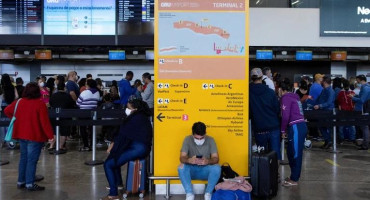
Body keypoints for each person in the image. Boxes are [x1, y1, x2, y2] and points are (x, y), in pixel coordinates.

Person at [4, 82, 54, 191]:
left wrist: (15, 118)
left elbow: (6, 110)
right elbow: (44, 123)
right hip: (35, 136)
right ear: (37, 92)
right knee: (32, 160)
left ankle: (21, 181)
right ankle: (30, 184)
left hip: (21, 135)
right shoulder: (40, 104)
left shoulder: (19, 102)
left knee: (23, 159)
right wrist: (51, 136)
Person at [102, 99, 152, 200]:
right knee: (115, 159)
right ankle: (118, 183)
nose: (126, 109)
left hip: (138, 148)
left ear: (135, 109)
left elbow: (123, 135)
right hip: (141, 147)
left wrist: (113, 144)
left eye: (128, 108)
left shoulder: (135, 118)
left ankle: (113, 194)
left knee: (108, 164)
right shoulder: (141, 117)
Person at [178, 122, 221, 200]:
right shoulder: (187, 139)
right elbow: (182, 157)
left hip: (205, 170)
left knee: (217, 168)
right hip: (192, 171)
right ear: (192, 134)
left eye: (201, 138)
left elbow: (216, 158)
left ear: (205, 134)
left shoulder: (210, 140)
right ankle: (189, 194)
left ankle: (208, 193)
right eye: (197, 138)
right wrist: (189, 160)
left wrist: (208, 161)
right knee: (181, 167)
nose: (199, 140)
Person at [279, 81, 307, 187]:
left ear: (281, 89)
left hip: (296, 127)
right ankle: (293, 176)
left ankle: (294, 179)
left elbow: (285, 116)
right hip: (299, 126)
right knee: (291, 152)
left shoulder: (285, 98)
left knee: (295, 153)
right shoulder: (295, 96)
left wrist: (282, 130)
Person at [249, 68, 281, 160]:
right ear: (262, 77)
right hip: (273, 127)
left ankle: (263, 173)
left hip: (259, 129)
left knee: (262, 155)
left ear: (251, 78)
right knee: (275, 154)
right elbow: (277, 109)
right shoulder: (270, 92)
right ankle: (275, 174)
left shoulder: (248, 93)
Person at [49, 78, 75, 152]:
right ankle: (61, 146)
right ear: (64, 88)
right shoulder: (67, 96)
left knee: (54, 131)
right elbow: (72, 104)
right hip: (65, 116)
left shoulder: (53, 96)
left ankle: (51, 146)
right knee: (64, 131)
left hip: (54, 115)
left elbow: (50, 104)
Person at [76, 79, 100, 151]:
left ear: (89, 85)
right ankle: (92, 145)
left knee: (83, 129)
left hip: (83, 113)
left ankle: (86, 145)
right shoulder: (97, 93)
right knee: (91, 129)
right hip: (93, 114)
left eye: (86, 83)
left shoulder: (84, 92)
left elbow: (78, 103)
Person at [314, 76, 335, 149]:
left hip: (328, 112)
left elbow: (329, 102)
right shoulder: (324, 90)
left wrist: (319, 106)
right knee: (321, 126)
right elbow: (319, 98)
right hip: (322, 111)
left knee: (327, 127)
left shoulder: (330, 91)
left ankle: (329, 141)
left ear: (325, 82)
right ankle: (327, 141)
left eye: (322, 81)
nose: (321, 82)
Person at [350, 75, 370, 150]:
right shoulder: (366, 87)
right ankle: (365, 143)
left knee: (364, 127)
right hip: (364, 109)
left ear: (361, 80)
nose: (356, 82)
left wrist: (353, 98)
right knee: (364, 127)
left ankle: (365, 144)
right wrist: (356, 96)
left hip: (363, 110)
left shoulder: (365, 88)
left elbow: (362, 100)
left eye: (357, 80)